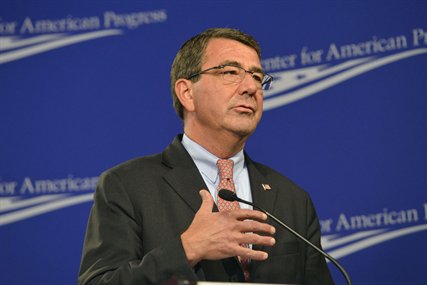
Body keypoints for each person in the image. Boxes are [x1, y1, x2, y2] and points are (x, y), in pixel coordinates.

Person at [78, 28, 335, 285]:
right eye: (230, 72)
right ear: (187, 93)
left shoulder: (293, 199)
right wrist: (187, 249)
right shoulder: (127, 186)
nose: (250, 87)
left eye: (257, 77)